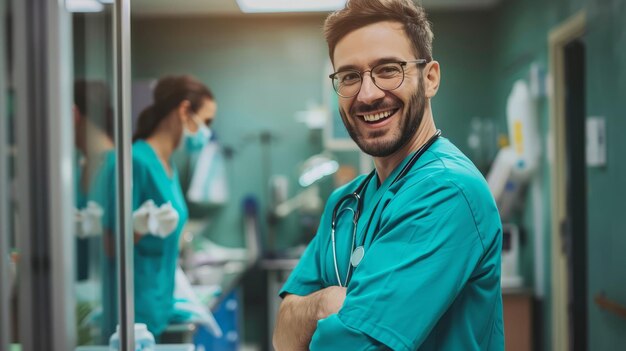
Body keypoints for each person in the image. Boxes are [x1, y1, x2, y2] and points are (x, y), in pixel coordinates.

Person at [273, 1, 504, 350]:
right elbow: (282, 336)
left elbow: (349, 347)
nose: (367, 94)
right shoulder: (344, 204)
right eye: (350, 76)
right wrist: (321, 304)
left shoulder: (448, 192)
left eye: (388, 70)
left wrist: (316, 322)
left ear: (430, 78)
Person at [131, 74, 217, 337]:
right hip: (136, 310)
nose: (207, 131)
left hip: (160, 303)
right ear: (183, 110)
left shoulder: (170, 166)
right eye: (206, 121)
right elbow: (111, 245)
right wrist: (142, 225)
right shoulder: (136, 161)